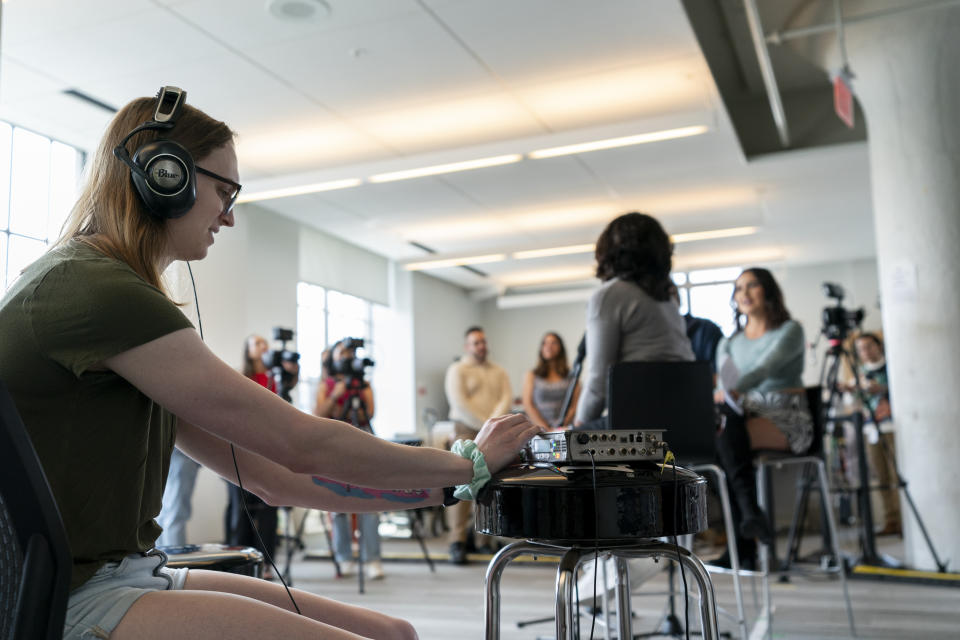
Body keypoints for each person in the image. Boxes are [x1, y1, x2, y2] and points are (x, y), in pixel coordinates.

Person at [0, 88, 541, 640]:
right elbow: (300, 443)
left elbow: (273, 477)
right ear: (166, 176)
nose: (228, 217)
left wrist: (453, 487)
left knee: (394, 632)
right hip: (65, 597)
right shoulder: (95, 289)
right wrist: (466, 463)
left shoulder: (104, 291)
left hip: (120, 576)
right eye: (225, 190)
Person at [713, 267, 813, 568]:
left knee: (721, 434)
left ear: (767, 290)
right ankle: (748, 521)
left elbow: (763, 370)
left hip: (786, 418)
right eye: (738, 288)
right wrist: (727, 394)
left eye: (751, 285)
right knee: (716, 439)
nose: (743, 294)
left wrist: (731, 392)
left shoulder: (790, 330)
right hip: (742, 417)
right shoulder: (729, 342)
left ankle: (744, 537)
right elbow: (722, 386)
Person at [574, 212, 694, 428]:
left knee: (565, 450)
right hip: (686, 417)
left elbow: (598, 382)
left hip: (640, 422)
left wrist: (578, 425)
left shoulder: (609, 295)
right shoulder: (668, 297)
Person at [224, 334, 299, 579]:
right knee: (240, 509)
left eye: (265, 343)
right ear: (247, 350)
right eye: (258, 343)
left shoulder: (277, 378)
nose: (263, 347)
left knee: (269, 507)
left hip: (271, 450)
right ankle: (238, 562)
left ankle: (267, 563)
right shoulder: (238, 377)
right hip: (240, 448)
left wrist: (290, 377)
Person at [314, 339, 384, 579]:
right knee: (338, 504)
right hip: (335, 444)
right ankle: (344, 557)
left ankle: (372, 558)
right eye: (342, 353)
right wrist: (336, 396)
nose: (347, 357)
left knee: (370, 501)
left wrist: (358, 391)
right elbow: (319, 415)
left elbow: (370, 412)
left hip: (363, 440)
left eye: (350, 353)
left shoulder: (363, 383)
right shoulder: (327, 384)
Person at [444, 326, 513, 564]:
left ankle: (483, 540)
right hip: (466, 430)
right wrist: (486, 423)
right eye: (475, 343)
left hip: (493, 430)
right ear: (467, 346)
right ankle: (457, 541)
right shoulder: (457, 370)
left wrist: (492, 424)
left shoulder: (499, 371)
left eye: (483, 341)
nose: (480, 346)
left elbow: (506, 398)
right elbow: (459, 403)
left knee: (488, 485)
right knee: (460, 483)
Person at [853, 332, 900, 536]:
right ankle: (891, 520)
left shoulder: (893, 366)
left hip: (892, 426)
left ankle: (904, 520)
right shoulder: (860, 374)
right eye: (861, 349)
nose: (866, 351)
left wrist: (879, 389)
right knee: (881, 477)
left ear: (879, 346)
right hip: (870, 429)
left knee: (895, 474)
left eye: (869, 346)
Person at [522, 332, 579, 428]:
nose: (549, 346)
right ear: (541, 348)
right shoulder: (531, 375)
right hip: (538, 429)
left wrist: (560, 427)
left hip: (564, 429)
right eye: (545, 343)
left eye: (554, 343)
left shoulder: (571, 375)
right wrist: (546, 429)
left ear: (561, 348)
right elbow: (528, 405)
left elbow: (574, 406)